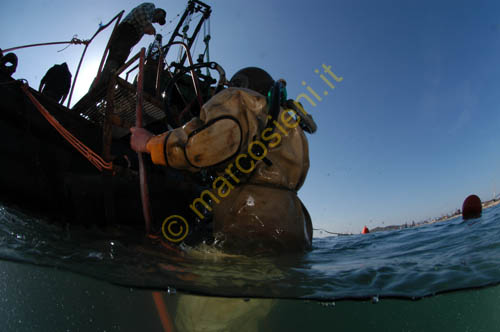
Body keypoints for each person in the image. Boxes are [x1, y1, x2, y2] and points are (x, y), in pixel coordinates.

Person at [130, 67, 314, 253]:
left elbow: (201, 147)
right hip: (297, 223)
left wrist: (150, 143)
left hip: (252, 220)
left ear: (240, 84)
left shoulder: (239, 99)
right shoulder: (291, 125)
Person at [95, 3, 166, 89]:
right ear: (158, 11)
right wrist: (147, 25)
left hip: (127, 39)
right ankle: (98, 88)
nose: (156, 21)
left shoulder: (148, 19)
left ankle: (102, 86)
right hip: (126, 32)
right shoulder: (151, 7)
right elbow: (140, 12)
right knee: (115, 61)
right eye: (159, 18)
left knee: (117, 64)